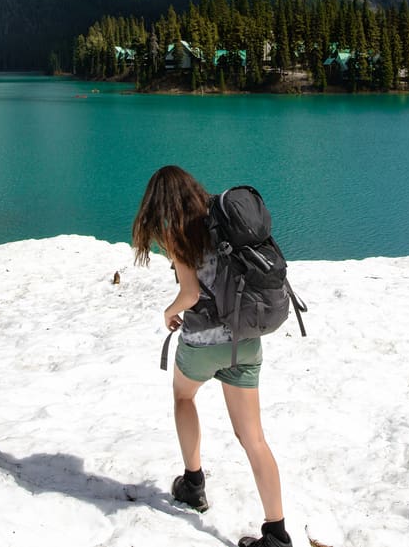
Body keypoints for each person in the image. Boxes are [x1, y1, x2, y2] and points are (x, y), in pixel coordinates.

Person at [132, 165, 294, 547]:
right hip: (245, 340)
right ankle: (277, 532)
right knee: (253, 438)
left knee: (184, 396)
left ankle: (193, 482)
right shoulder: (225, 222)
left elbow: (189, 295)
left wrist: (169, 313)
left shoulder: (179, 233)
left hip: (203, 344)